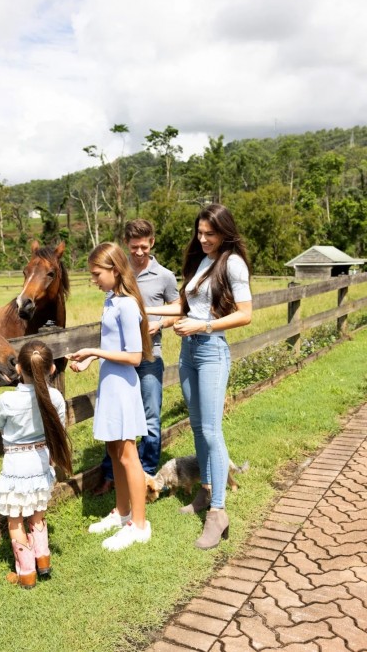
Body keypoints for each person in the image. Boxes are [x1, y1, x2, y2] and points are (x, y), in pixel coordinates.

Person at [146, 203, 252, 550]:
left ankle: (218, 513)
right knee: (197, 427)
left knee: (210, 430)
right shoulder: (201, 262)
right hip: (189, 352)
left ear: (224, 232)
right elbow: (183, 307)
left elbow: (246, 315)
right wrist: (141, 306)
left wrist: (203, 325)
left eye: (210, 233)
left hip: (211, 351)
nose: (203, 238)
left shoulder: (232, 263)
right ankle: (206, 491)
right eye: (200, 232)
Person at [67, 242, 153, 551]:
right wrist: (92, 360)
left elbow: (134, 356)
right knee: (114, 450)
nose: (94, 280)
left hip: (123, 385)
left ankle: (140, 525)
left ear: (114, 270)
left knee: (129, 454)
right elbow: (114, 345)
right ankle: (122, 513)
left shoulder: (127, 305)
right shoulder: (111, 300)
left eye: (96, 274)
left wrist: (93, 350)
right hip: (110, 382)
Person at [0, 340, 72, 588]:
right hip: (41, 465)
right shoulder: (55, 397)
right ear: (52, 370)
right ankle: (43, 561)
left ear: (17, 369)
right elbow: (59, 428)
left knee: (15, 520)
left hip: (16, 470)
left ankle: (26, 573)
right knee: (38, 514)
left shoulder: (7, 400)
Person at [95, 219, 180, 495]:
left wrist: (160, 323)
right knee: (118, 420)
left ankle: (147, 478)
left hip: (149, 356)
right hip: (122, 357)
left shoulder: (164, 276)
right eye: (134, 248)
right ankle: (113, 476)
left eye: (144, 247)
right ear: (126, 246)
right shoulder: (119, 273)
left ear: (152, 243)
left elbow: (178, 309)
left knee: (151, 419)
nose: (139, 252)